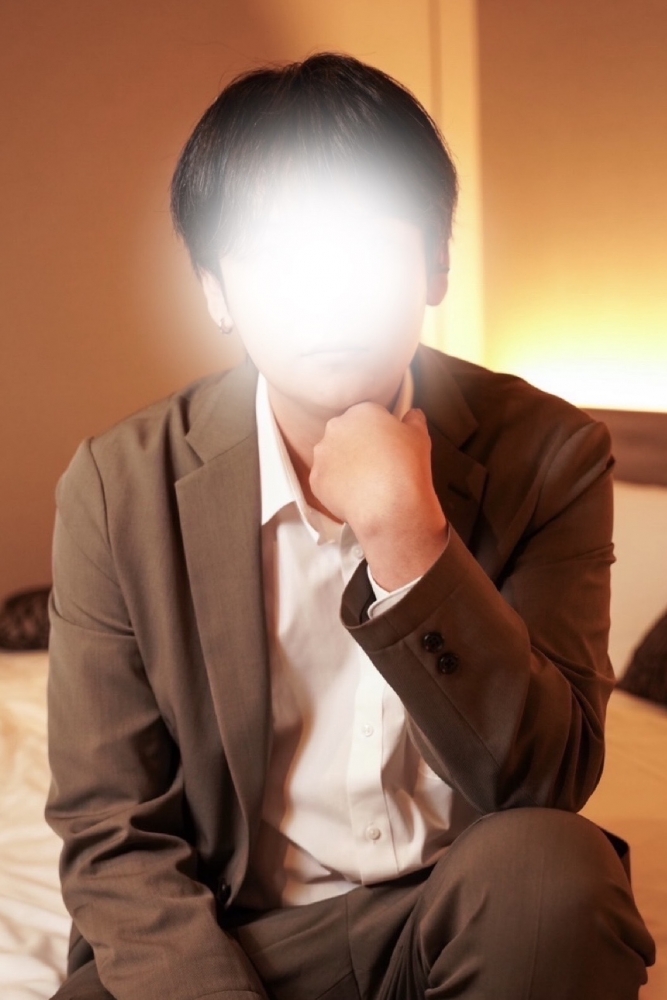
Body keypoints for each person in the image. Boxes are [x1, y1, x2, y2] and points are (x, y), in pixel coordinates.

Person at [46, 53, 655, 1000]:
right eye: (277, 255)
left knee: (556, 876)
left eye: (365, 244)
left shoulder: (550, 453)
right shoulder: (119, 486)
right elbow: (110, 833)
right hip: (232, 939)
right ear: (215, 290)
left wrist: (411, 546)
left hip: (460, 916)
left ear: (436, 265)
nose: (324, 293)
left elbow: (545, 782)